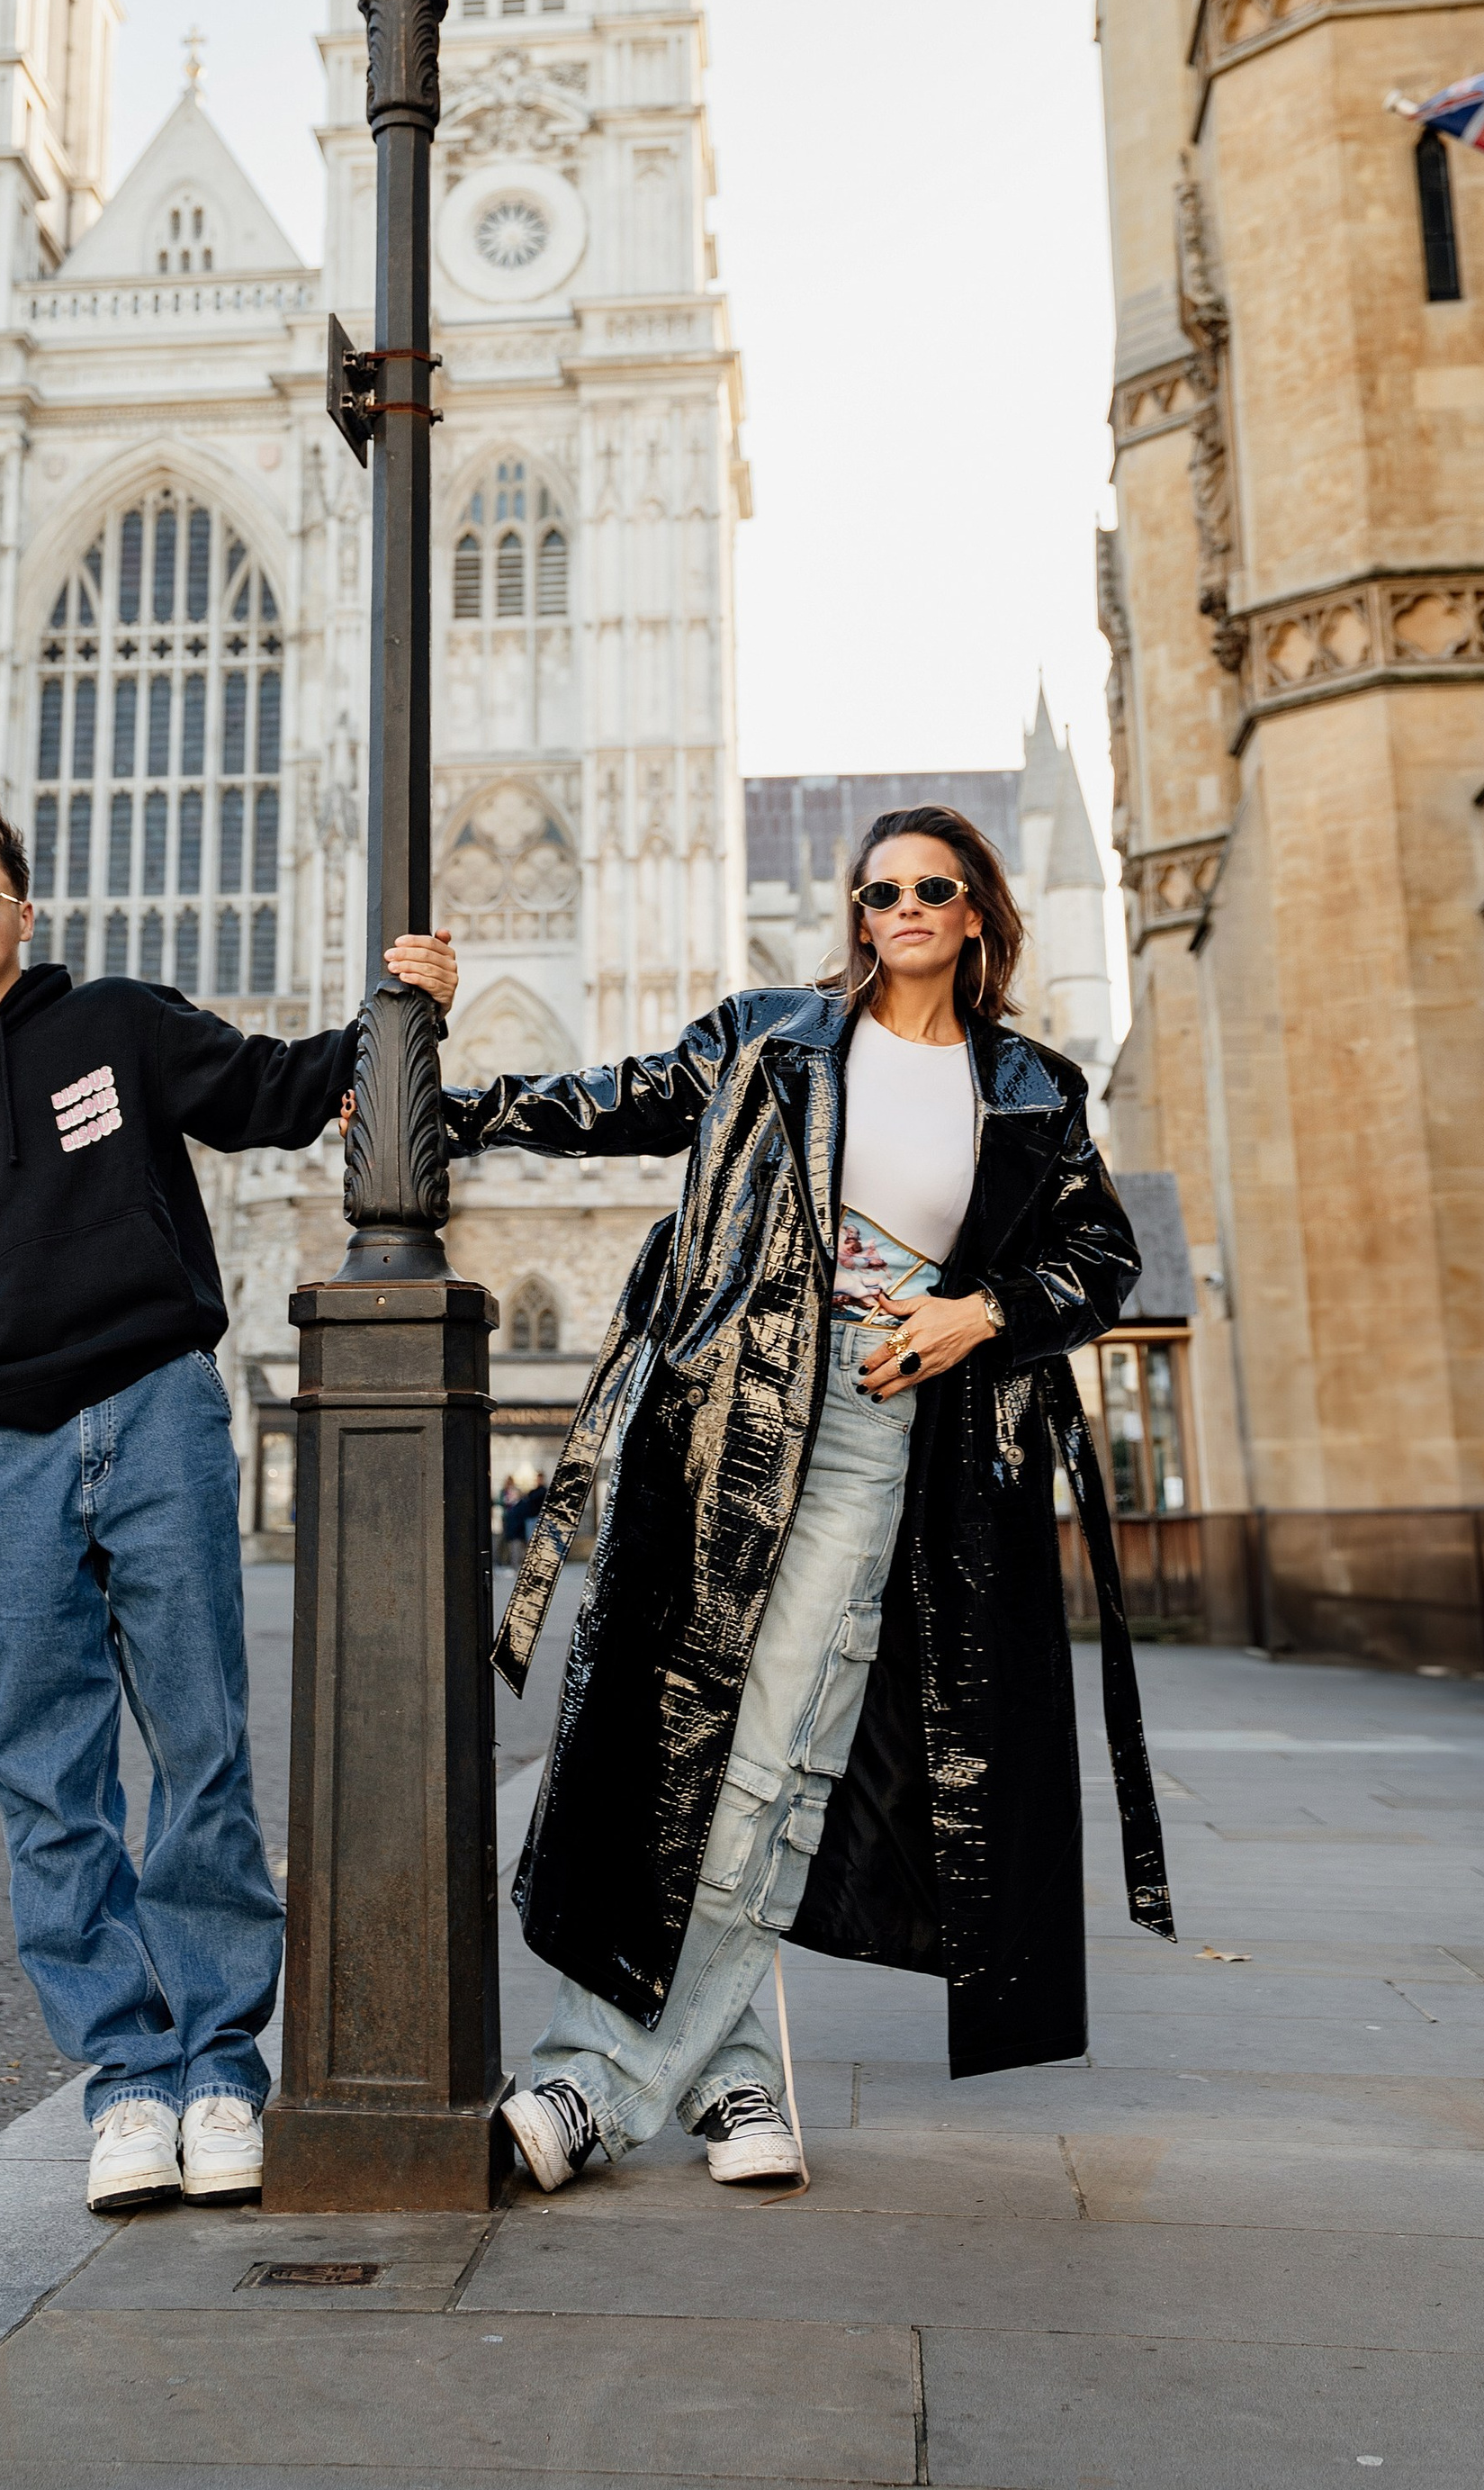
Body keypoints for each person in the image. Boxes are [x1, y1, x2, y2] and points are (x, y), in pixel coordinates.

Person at [458, 805, 1169, 2197]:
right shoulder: (770, 1036)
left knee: (779, 1750)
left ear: (977, 914)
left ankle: (595, 2084)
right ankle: (726, 2080)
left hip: (884, 1422)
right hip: (731, 1413)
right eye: (881, 889)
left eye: (934, 888)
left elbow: (1101, 1253)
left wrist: (980, 1313)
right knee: (682, 1743)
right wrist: (444, 1095)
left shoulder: (1030, 1083)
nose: (903, 906)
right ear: (856, 914)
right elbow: (615, 1099)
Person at [0, 803, 457, 2218]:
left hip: (156, 1410)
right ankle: (127, 2081)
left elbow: (271, 1089)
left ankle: (221, 2067)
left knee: (201, 1748)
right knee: (46, 1777)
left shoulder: (113, 1026)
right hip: (2, 1455)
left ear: (24, 910)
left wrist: (397, 1009)